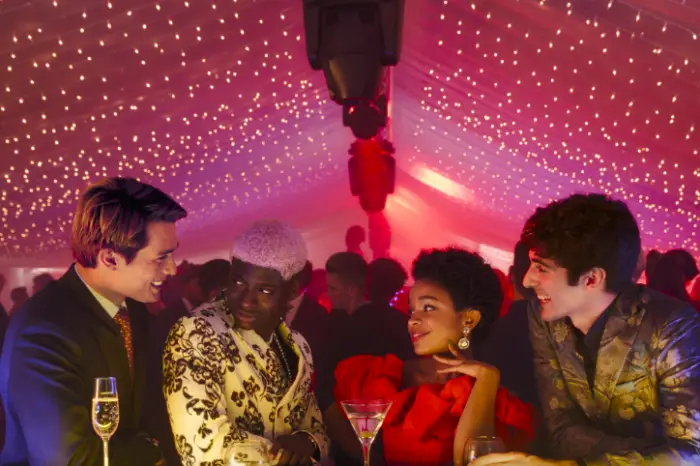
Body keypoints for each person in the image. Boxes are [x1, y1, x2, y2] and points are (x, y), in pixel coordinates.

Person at [473, 193, 700, 465]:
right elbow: (561, 426)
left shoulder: (673, 326)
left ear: (592, 279)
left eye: (541, 268)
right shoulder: (544, 316)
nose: (527, 280)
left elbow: (690, 454)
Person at [0, 177, 186, 465]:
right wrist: (151, 449)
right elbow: (69, 459)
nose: (173, 268)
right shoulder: (44, 330)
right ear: (110, 258)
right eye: (161, 258)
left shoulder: (133, 310)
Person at [328, 247, 534, 466]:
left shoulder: (498, 398)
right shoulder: (386, 376)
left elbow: (472, 460)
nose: (412, 320)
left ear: (469, 319)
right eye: (411, 310)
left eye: (428, 308)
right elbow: (331, 417)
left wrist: (485, 380)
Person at [163, 220, 329, 465]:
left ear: (293, 290)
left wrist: (306, 441)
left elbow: (318, 432)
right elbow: (203, 444)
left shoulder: (298, 345)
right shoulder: (196, 332)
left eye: (264, 290)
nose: (246, 301)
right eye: (239, 282)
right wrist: (285, 457)